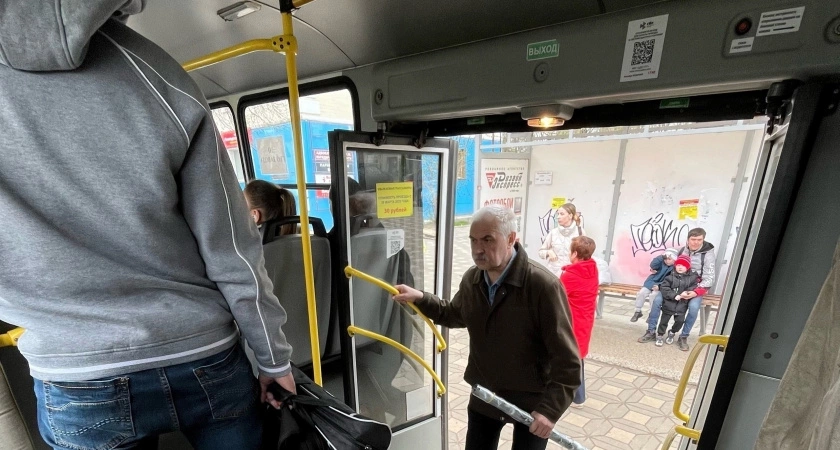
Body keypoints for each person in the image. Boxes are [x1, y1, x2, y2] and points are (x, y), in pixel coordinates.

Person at [0, 3, 294, 449]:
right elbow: (232, 250)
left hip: (75, 367)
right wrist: (274, 360)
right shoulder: (157, 74)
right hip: (204, 352)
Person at [392, 206, 580, 450]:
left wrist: (551, 410)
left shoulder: (542, 285)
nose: (478, 249)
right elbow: (455, 314)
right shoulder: (473, 279)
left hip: (532, 402)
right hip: (485, 395)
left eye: (488, 240)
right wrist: (420, 297)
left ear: (511, 238)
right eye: (473, 240)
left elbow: (568, 360)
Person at [639, 228, 716, 351]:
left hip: (694, 287)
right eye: (693, 239)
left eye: (699, 240)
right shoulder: (681, 250)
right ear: (688, 239)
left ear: (703, 239)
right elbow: (667, 262)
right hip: (674, 285)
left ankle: (683, 336)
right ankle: (651, 331)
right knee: (657, 301)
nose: (696, 242)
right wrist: (656, 269)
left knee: (694, 308)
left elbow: (710, 278)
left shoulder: (708, 255)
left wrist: (695, 292)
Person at [559, 236, 599, 407]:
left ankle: (576, 396)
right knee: (577, 357)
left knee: (568, 357)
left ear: (575, 253)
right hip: (586, 320)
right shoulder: (593, 269)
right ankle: (578, 397)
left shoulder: (570, 276)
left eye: (570, 250)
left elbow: (556, 297)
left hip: (572, 322)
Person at [653, 255, 699, 347]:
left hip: (682, 305)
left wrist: (687, 292)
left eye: (683, 265)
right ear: (675, 266)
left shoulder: (692, 277)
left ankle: (672, 332)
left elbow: (694, 286)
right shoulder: (670, 277)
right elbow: (664, 288)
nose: (680, 267)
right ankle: (660, 335)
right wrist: (674, 295)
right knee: (663, 321)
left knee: (679, 322)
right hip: (669, 304)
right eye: (678, 265)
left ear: (688, 267)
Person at [630, 248, 678, 322]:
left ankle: (651, 314)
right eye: (665, 259)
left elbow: (670, 280)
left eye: (669, 259)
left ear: (674, 260)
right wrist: (662, 257)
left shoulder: (675, 268)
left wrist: (660, 286)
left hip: (662, 286)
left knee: (653, 296)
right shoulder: (661, 262)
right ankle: (637, 311)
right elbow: (653, 265)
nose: (667, 261)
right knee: (641, 293)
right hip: (651, 282)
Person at [538, 203, 584, 276]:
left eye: (562, 214)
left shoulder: (580, 232)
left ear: (570, 216)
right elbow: (541, 252)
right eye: (558, 214)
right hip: (554, 274)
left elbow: (585, 255)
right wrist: (548, 252)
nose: (558, 217)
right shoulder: (553, 232)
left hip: (572, 274)